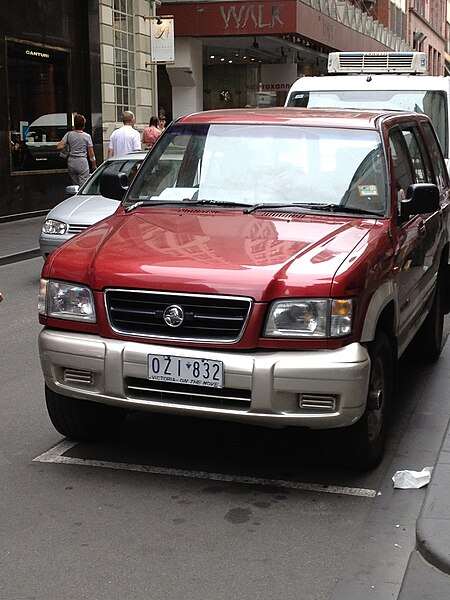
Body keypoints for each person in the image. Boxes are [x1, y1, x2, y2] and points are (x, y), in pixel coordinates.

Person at [57, 114, 96, 186]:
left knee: (75, 184)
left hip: (71, 162)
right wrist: (94, 165)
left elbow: (59, 146)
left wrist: (67, 146)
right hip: (82, 161)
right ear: (83, 125)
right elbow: (91, 154)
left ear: (74, 124)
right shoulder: (87, 136)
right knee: (83, 185)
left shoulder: (69, 134)